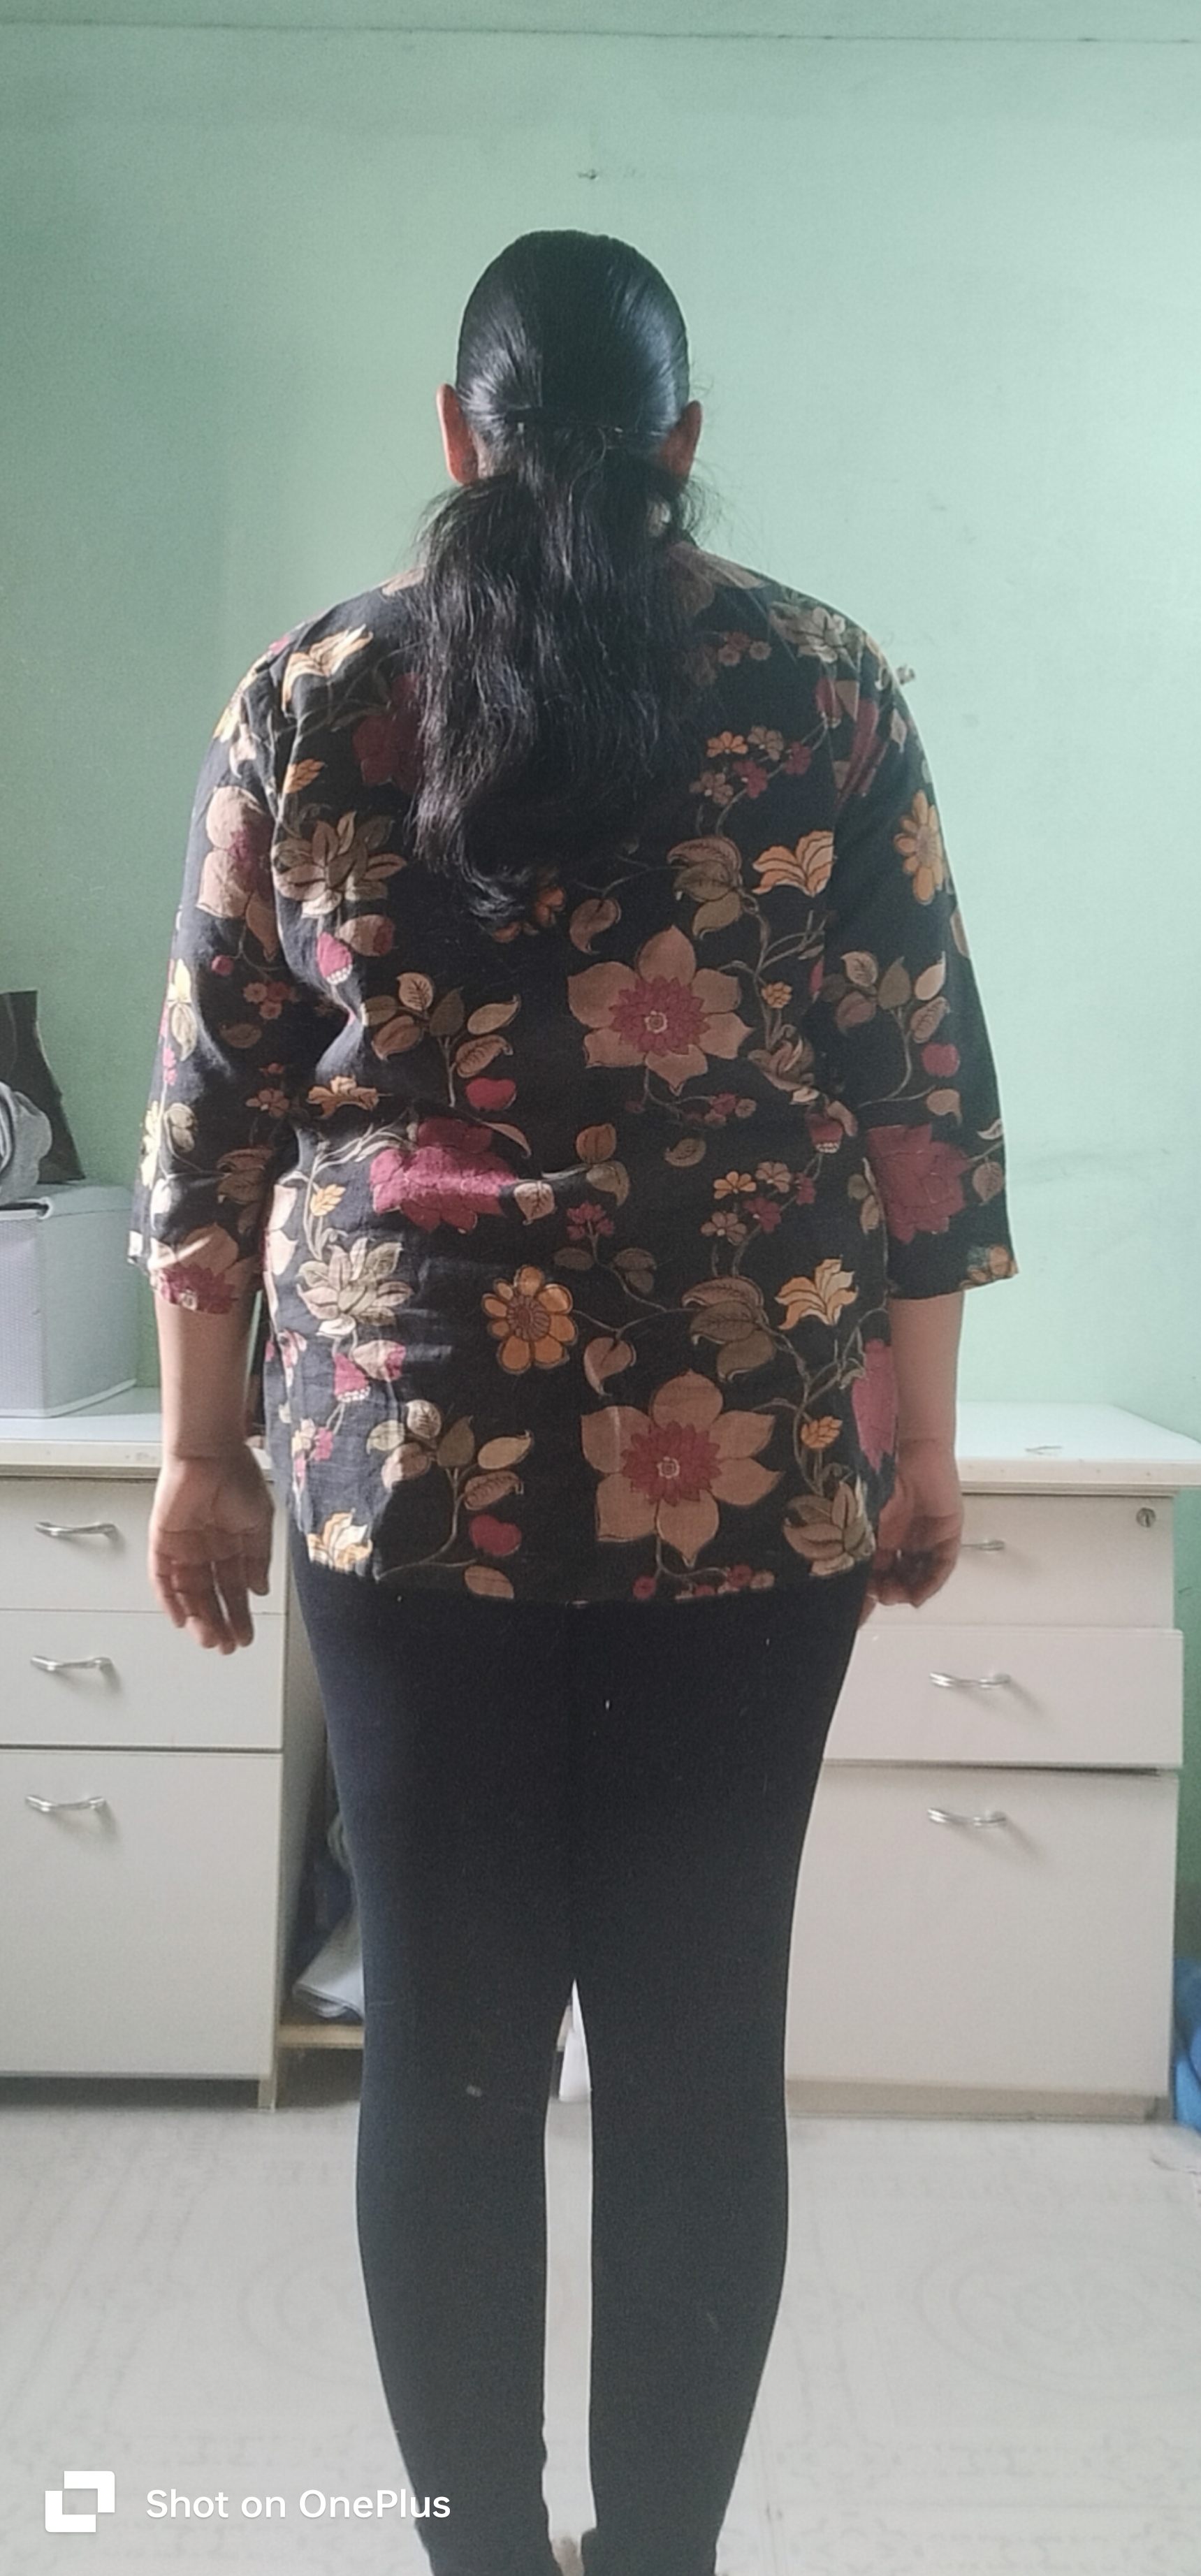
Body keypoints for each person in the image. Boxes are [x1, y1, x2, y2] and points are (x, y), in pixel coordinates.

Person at [130, 231, 1016, 2576]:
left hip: (410, 1454)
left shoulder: (319, 691)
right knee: (701, 2050)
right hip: (753, 1442)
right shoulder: (818, 686)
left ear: (458, 431)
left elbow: (213, 1109)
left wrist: (199, 1452)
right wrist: (924, 1438)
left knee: (444, 2046)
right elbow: (919, 1093)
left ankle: (481, 2561)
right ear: (687, 441)